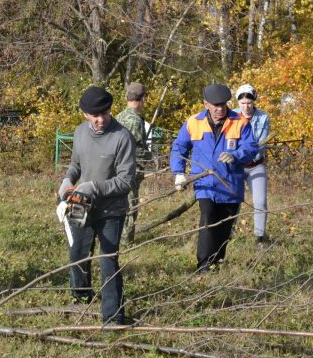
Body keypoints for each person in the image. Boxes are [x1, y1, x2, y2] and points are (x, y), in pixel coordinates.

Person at [57, 86, 136, 324]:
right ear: (85, 114)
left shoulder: (122, 137)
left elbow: (126, 181)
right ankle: (80, 300)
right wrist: (68, 179)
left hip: (112, 209)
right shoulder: (80, 133)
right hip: (82, 203)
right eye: (95, 115)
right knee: (78, 253)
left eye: (104, 113)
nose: (100, 119)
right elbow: (76, 164)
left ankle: (112, 317)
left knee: (108, 259)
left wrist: (96, 187)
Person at [170, 83, 257, 273]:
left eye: (223, 105)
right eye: (215, 105)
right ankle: (203, 266)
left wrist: (237, 155)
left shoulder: (240, 122)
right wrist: (179, 173)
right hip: (206, 185)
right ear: (206, 104)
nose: (220, 109)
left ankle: (217, 263)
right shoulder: (193, 122)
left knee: (225, 227)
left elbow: (251, 147)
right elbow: (179, 148)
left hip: (230, 185)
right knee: (208, 221)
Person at [233, 84, 270, 245]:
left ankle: (259, 237)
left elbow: (260, 144)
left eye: (249, 103)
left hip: (255, 164)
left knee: (260, 201)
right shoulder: (232, 116)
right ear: (238, 103)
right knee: (232, 200)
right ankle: (228, 234)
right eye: (242, 103)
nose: (246, 107)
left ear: (253, 101)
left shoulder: (263, 117)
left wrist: (247, 155)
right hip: (236, 166)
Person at [115, 82, 152, 244]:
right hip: (129, 170)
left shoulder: (119, 116)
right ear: (142, 99)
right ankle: (126, 241)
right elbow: (134, 150)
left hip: (116, 168)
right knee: (130, 206)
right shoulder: (134, 121)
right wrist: (148, 155)